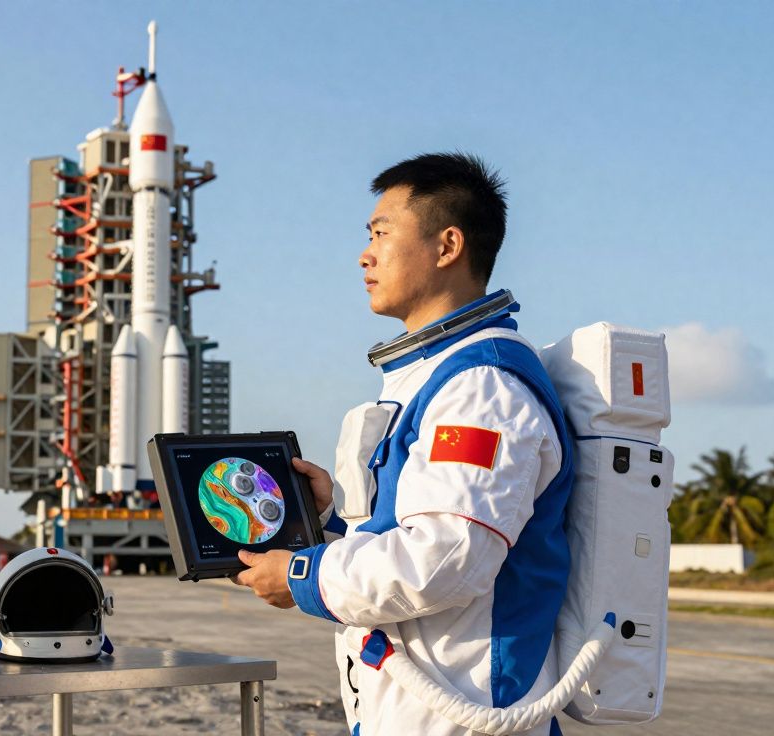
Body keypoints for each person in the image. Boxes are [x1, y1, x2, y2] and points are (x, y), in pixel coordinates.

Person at [234, 152, 574, 735]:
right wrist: (331, 524)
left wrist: (302, 576)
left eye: (381, 233)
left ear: (447, 246)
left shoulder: (482, 387)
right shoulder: (437, 374)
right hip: (414, 713)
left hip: (464, 718)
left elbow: (445, 558)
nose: (364, 254)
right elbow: (414, 532)